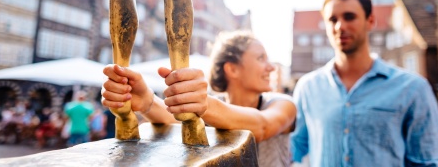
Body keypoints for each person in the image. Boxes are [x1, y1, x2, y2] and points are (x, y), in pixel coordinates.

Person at [290, 0, 438, 166]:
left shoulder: (413, 89)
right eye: (332, 19)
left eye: (349, 17)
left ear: (370, 21)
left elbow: (426, 161)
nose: (340, 26)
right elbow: (294, 148)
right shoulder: (308, 87)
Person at [101, 30, 296, 167]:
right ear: (232, 69)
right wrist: (147, 102)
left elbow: (262, 127)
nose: (271, 67)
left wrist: (203, 104)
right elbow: (176, 120)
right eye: (261, 58)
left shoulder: (283, 104)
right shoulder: (212, 113)